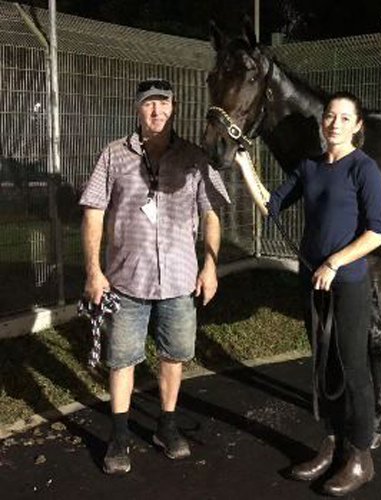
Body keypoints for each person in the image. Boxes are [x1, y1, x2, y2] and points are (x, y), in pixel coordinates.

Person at [240, 91, 381, 496]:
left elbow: (377, 232)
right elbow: (270, 204)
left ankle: (361, 457)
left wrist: (334, 262)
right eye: (329, 116)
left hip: (347, 282)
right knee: (324, 367)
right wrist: (244, 164)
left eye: (344, 118)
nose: (334, 123)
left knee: (353, 368)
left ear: (357, 125)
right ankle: (332, 443)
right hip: (312, 281)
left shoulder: (364, 169)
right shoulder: (310, 167)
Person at [79, 78, 229, 475]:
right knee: (122, 359)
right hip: (126, 281)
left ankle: (166, 425)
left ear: (174, 108)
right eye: (149, 105)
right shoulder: (113, 155)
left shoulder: (195, 159)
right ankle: (120, 435)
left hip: (180, 281)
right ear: (137, 109)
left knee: (173, 356)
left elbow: (212, 212)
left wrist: (211, 265)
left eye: (163, 104)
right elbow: (93, 212)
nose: (156, 112)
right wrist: (94, 271)